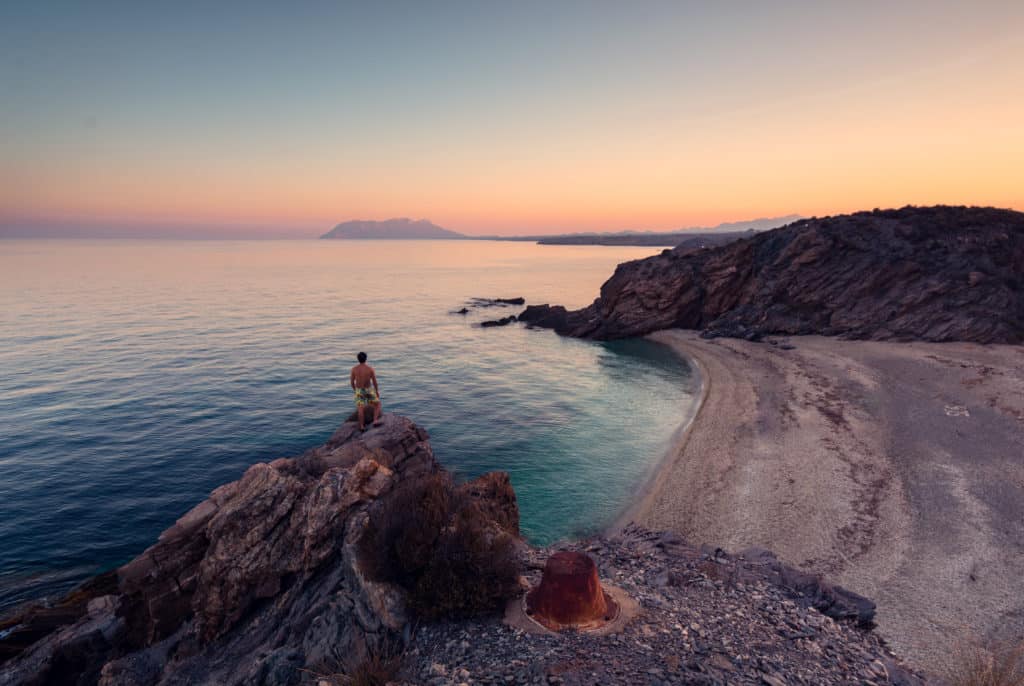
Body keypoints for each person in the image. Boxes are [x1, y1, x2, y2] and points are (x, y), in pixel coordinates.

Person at [350, 351, 382, 431]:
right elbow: (374, 382)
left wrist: (355, 390)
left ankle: (362, 426)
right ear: (366, 359)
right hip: (368, 390)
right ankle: (375, 420)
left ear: (358, 359)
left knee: (360, 409)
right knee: (377, 404)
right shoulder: (370, 369)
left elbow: (352, 382)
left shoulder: (354, 369)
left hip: (359, 390)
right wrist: (377, 391)